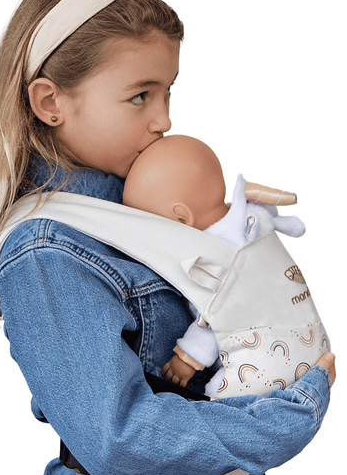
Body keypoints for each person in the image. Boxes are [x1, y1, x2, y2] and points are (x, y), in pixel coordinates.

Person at [0, 0, 336, 475]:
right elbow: (114, 433)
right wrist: (287, 415)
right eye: (139, 96)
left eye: (168, 91)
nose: (165, 118)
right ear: (51, 102)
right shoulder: (46, 251)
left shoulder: (150, 209)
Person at [123, 134, 329, 397]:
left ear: (180, 218)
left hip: (269, 363)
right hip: (312, 342)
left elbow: (218, 314)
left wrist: (187, 359)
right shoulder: (251, 220)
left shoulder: (213, 257)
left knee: (219, 403)